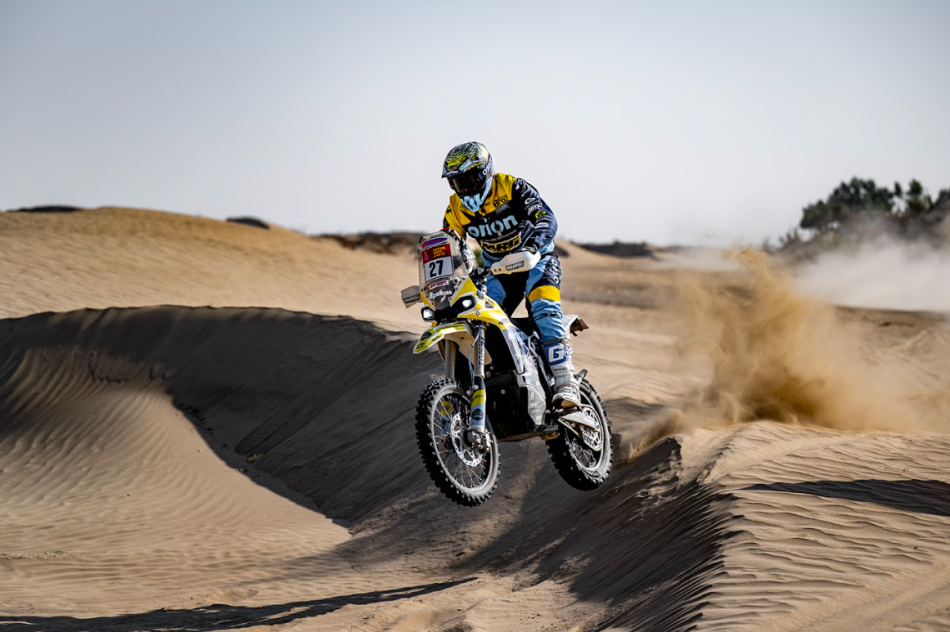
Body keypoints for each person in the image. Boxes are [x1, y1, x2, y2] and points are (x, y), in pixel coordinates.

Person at [440, 141, 580, 408]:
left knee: (544, 307)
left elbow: (546, 217)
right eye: (458, 183)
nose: (465, 188)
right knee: (477, 319)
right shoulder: (455, 208)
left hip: (536, 261)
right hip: (497, 271)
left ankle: (566, 381)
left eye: (470, 179)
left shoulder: (512, 187)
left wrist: (532, 247)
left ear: (486, 172)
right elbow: (448, 245)